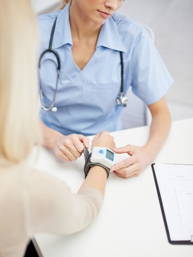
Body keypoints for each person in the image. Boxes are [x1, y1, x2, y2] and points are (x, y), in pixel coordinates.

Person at [0, 0, 114, 257]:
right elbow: (86, 209)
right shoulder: (22, 191)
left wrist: (51, 138)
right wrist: (102, 158)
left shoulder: (133, 38)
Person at [38, 0, 173, 178]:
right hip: (46, 142)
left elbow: (161, 113)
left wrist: (147, 154)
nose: (112, 5)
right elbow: (8, 112)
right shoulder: (35, 32)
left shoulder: (133, 37)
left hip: (108, 147)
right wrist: (54, 139)